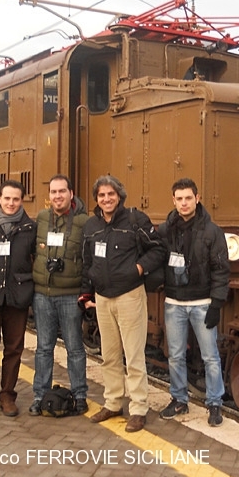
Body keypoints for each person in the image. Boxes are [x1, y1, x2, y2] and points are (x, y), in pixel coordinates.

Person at [79, 175, 166, 433]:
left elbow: (158, 250)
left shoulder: (135, 221)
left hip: (129, 296)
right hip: (103, 299)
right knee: (110, 355)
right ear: (97, 199)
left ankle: (139, 408)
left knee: (134, 355)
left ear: (119, 196)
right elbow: (87, 263)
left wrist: (139, 268)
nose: (106, 199)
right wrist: (86, 294)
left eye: (111, 194)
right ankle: (113, 402)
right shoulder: (91, 226)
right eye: (102, 195)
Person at [158, 178, 230, 427]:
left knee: (211, 356)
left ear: (197, 199)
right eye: (179, 199)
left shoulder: (212, 232)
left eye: (188, 198)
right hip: (174, 302)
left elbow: (221, 270)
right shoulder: (166, 230)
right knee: (175, 356)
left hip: (202, 302)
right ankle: (179, 399)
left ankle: (215, 403)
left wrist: (217, 305)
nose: (184, 203)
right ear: (174, 201)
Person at [29, 174, 89, 417]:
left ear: (71, 193)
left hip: (69, 294)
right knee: (44, 348)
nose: (57, 196)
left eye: (62, 191)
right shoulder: (42, 218)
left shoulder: (84, 222)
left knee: (75, 348)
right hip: (43, 294)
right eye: (53, 192)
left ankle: (80, 395)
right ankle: (39, 395)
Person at [0, 180, 36, 417]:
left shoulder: (30, 228)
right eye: (7, 198)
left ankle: (8, 396)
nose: (11, 203)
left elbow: (36, 259)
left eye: (16, 199)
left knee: (14, 348)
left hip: (17, 296)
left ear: (22, 200)